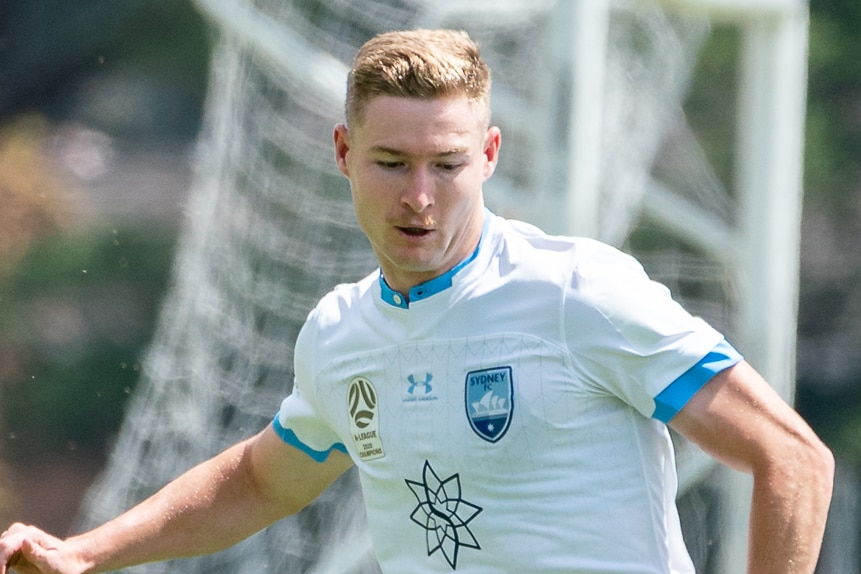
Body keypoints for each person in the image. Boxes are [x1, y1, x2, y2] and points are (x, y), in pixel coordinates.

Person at [0, 29, 833, 574]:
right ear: (343, 152)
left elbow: (791, 459)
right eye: (392, 163)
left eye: (448, 163)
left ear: (490, 155)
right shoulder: (339, 333)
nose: (420, 198)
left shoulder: (578, 292)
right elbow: (261, 480)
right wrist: (86, 553)